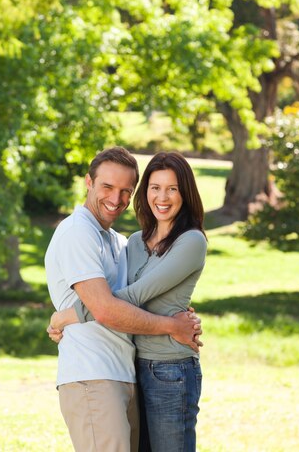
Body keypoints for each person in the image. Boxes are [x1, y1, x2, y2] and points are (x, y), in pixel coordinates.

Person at [45, 147, 202, 452]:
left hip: (127, 373)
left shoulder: (120, 241)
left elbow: (135, 297)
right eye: (107, 187)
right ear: (88, 182)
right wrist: (171, 325)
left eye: (125, 191)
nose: (116, 199)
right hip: (93, 375)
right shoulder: (78, 232)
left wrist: (177, 317)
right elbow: (105, 308)